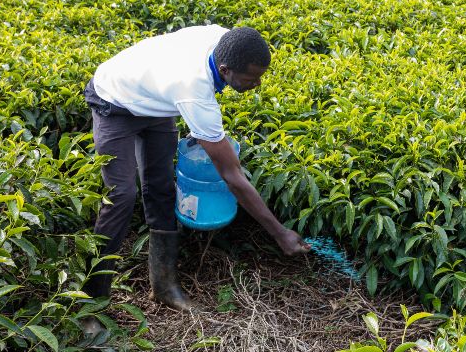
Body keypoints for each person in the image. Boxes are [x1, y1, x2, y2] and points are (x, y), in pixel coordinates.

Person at [81, 25, 309, 318]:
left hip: (157, 102)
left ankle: (163, 287)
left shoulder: (226, 41)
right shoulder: (194, 91)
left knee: (161, 186)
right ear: (225, 70)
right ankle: (92, 303)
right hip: (114, 99)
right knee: (122, 196)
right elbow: (233, 177)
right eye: (251, 79)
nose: (257, 84)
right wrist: (279, 233)